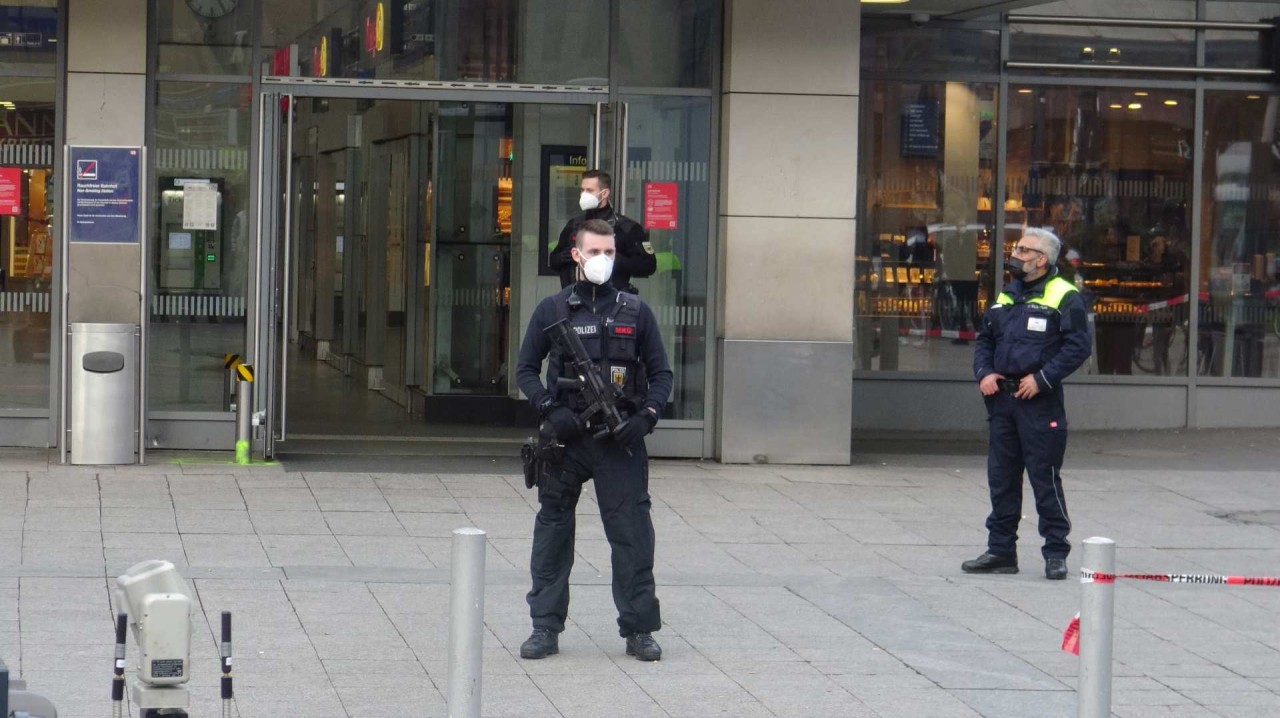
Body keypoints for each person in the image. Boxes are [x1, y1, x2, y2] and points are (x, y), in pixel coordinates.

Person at [516, 218, 673, 661]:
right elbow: (526, 369)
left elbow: (661, 375)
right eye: (595, 252)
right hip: (566, 441)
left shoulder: (636, 311)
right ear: (577, 255)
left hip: (618, 441)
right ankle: (544, 627)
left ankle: (639, 629)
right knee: (552, 531)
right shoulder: (553, 309)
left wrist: (646, 418)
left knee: (632, 535)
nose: (603, 259)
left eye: (610, 252)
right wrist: (551, 409)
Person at [965, 227, 1092, 580]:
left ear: (1041, 260)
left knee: (1044, 478)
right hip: (1003, 401)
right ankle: (1001, 551)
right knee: (1001, 478)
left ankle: (1055, 552)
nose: (1015, 254)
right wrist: (984, 373)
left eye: (1023, 249)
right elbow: (985, 339)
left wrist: (1041, 379)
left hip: (1040, 403)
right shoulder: (1008, 294)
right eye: (1017, 248)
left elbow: (1078, 347)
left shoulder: (1065, 296)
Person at [548, 169, 656, 293]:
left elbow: (648, 266)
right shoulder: (574, 225)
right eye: (582, 190)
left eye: (589, 190)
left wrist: (614, 259)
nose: (584, 195)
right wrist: (564, 257)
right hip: (576, 300)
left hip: (613, 301)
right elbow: (554, 260)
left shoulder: (626, 227)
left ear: (604, 193)